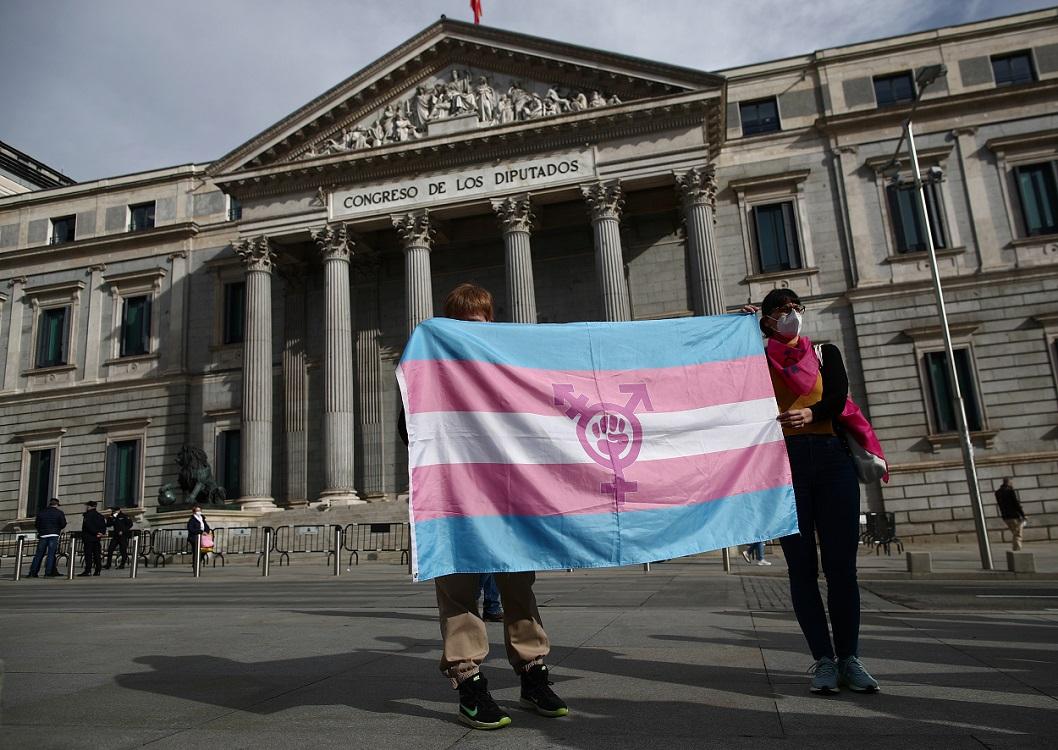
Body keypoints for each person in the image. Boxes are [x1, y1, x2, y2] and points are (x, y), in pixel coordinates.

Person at [399, 283, 567, 730]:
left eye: (482, 319)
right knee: (459, 591)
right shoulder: (428, 369)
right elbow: (410, 429)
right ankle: (469, 683)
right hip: (455, 496)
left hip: (508, 497)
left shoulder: (507, 366)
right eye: (465, 322)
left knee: (519, 587)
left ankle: (533, 673)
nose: (477, 328)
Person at [757, 288, 879, 695]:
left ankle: (850, 658)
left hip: (832, 460)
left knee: (842, 567)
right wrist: (732, 327)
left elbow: (838, 396)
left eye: (796, 307)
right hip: (785, 465)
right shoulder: (754, 359)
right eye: (781, 309)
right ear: (767, 318)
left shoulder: (825, 352)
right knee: (801, 569)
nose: (791, 314)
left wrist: (810, 412)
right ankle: (823, 660)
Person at [27, 498, 66, 578]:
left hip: (43, 535)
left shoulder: (41, 513)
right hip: (54, 534)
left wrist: (41, 531)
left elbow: (37, 524)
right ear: (56, 504)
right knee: (51, 554)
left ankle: (33, 572)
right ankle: (48, 573)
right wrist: (58, 528)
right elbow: (63, 524)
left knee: (38, 555)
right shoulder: (59, 513)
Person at [995, 478, 1027, 551]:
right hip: (1014, 515)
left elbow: (1000, 505)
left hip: (1005, 516)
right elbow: (1016, 504)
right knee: (1018, 533)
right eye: (1011, 482)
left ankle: (1016, 547)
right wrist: (1023, 515)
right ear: (1009, 482)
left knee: (1015, 532)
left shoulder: (997, 492)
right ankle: (1017, 548)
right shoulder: (1010, 491)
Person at [78, 501, 107, 577]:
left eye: (87, 506)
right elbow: (104, 526)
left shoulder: (88, 515)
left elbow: (88, 526)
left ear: (89, 506)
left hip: (89, 537)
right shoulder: (100, 515)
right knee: (97, 554)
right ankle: (98, 570)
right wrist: (101, 533)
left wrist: (95, 532)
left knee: (88, 555)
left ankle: (88, 570)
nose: (86, 507)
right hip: (97, 538)